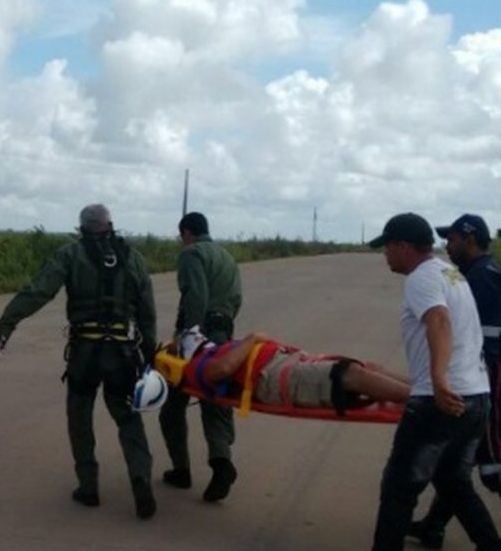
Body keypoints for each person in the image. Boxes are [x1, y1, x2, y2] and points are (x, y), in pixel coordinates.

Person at [0, 204, 159, 519]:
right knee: (128, 418)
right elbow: (147, 312)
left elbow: (37, 291)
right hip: (122, 354)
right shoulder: (133, 258)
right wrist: (151, 355)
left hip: (85, 354)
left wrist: (6, 324)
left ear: (82, 227)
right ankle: (140, 478)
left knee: (80, 418)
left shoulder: (70, 254)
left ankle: (88, 487)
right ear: (110, 224)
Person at [368, 212, 501, 551]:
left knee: (399, 488)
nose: (385, 254)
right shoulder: (450, 272)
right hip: (476, 398)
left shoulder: (422, 277)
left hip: (439, 403)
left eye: (387, 247)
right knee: (453, 482)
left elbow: (438, 321)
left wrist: (439, 381)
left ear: (403, 246)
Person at [409, 214, 501, 549]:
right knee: (455, 466)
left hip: (486, 379)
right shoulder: (476, 275)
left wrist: (453, 378)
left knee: (490, 463)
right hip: (480, 378)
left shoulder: (481, 279)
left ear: (470, 238)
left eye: (453, 239)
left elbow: (479, 337)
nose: (447, 245)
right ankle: (433, 527)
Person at [159, 211, 243, 502]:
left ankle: (181, 470)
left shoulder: (191, 254)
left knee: (173, 404)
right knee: (216, 399)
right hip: (223, 334)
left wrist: (187, 335)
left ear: (186, 233)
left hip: (199, 334)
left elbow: (196, 294)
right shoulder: (226, 257)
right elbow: (236, 300)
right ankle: (221, 463)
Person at [163, 327, 410, 410]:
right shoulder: (197, 366)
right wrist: (252, 338)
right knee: (351, 375)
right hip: (275, 378)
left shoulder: (210, 353)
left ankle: (430, 391)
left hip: (287, 364)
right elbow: (224, 370)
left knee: (367, 367)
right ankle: (424, 401)